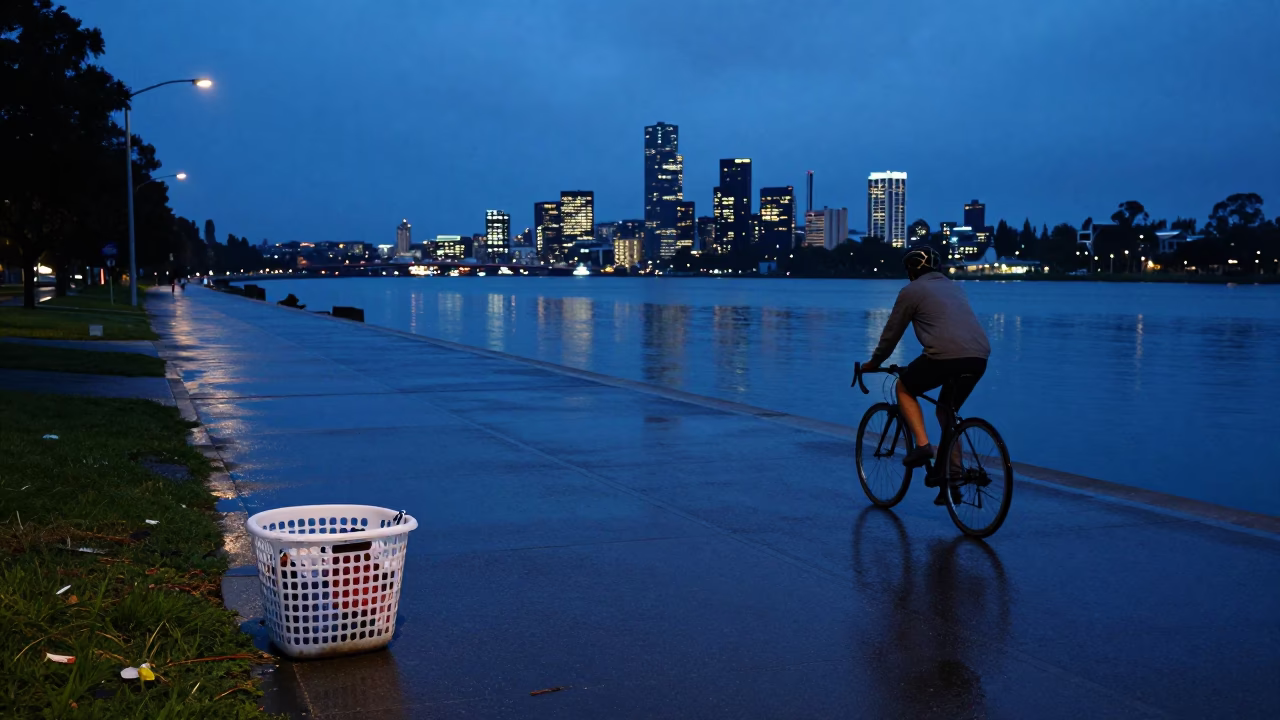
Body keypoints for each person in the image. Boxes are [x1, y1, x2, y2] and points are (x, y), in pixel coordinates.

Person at [863, 247, 990, 504]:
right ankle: (952, 480)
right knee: (947, 413)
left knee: (904, 386)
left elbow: (891, 335)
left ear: (912, 271)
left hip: (944, 356)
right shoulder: (954, 288)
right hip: (979, 357)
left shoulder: (911, 291)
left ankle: (922, 447)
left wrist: (873, 362)